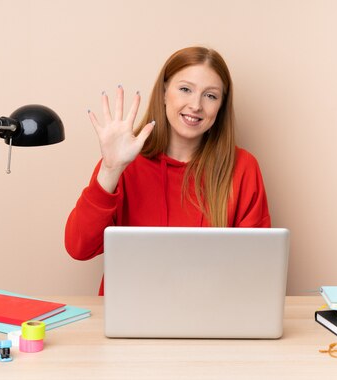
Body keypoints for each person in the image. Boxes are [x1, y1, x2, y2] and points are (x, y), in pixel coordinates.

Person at [65, 46, 271, 295]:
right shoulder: (124, 162)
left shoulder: (243, 167)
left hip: (212, 315)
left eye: (211, 96)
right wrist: (110, 170)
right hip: (131, 313)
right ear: (164, 93)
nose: (196, 105)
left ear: (221, 107)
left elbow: (256, 268)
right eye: (185, 89)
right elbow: (79, 248)